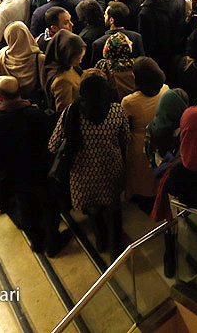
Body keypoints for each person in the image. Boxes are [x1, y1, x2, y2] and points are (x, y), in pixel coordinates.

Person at [0, 76, 63, 255]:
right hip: (41, 171)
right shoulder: (36, 114)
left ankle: (36, 242)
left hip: (13, 176)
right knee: (49, 207)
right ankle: (53, 244)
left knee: (26, 208)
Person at [49, 70, 130, 256]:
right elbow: (126, 139)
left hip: (83, 174)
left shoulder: (72, 113)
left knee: (94, 210)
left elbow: (53, 145)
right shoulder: (117, 110)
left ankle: (101, 241)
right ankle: (117, 245)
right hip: (112, 168)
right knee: (114, 207)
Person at [121, 57, 168, 203]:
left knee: (141, 175)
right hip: (160, 138)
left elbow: (124, 127)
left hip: (139, 143)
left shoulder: (129, 101)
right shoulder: (166, 89)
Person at [136, 0, 176, 72]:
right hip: (171, 54)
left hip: (155, 60)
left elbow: (146, 43)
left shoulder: (145, 12)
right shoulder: (170, 0)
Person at [0, 22, 44, 101]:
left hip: (7, 102)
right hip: (32, 103)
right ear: (27, 34)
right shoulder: (39, 59)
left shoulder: (0, 56)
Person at [89, 2, 144, 67]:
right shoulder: (136, 37)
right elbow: (142, 63)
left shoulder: (98, 43)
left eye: (105, 14)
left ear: (111, 20)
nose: (104, 16)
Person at [43, 30, 85, 113]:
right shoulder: (62, 81)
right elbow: (64, 112)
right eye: (78, 58)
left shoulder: (67, 66)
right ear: (66, 55)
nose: (80, 62)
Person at [96, 31, 136, 100]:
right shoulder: (135, 65)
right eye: (128, 42)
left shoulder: (102, 65)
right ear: (123, 47)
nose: (131, 42)